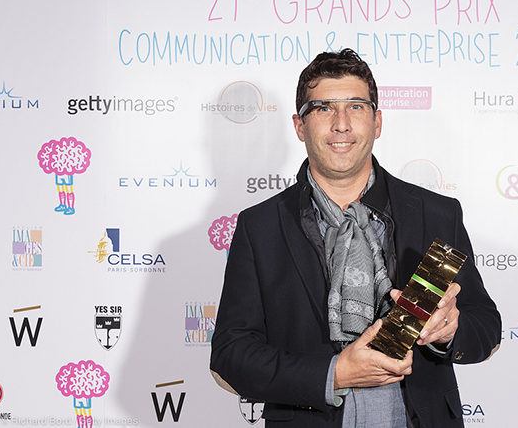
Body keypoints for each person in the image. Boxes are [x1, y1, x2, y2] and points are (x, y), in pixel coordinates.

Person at [210, 48, 501, 428]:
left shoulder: (435, 214)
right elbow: (230, 355)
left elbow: (486, 328)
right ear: (299, 126)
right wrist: (333, 373)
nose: (342, 124)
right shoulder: (260, 226)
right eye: (324, 108)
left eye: (356, 107)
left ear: (377, 122)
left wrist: (450, 330)